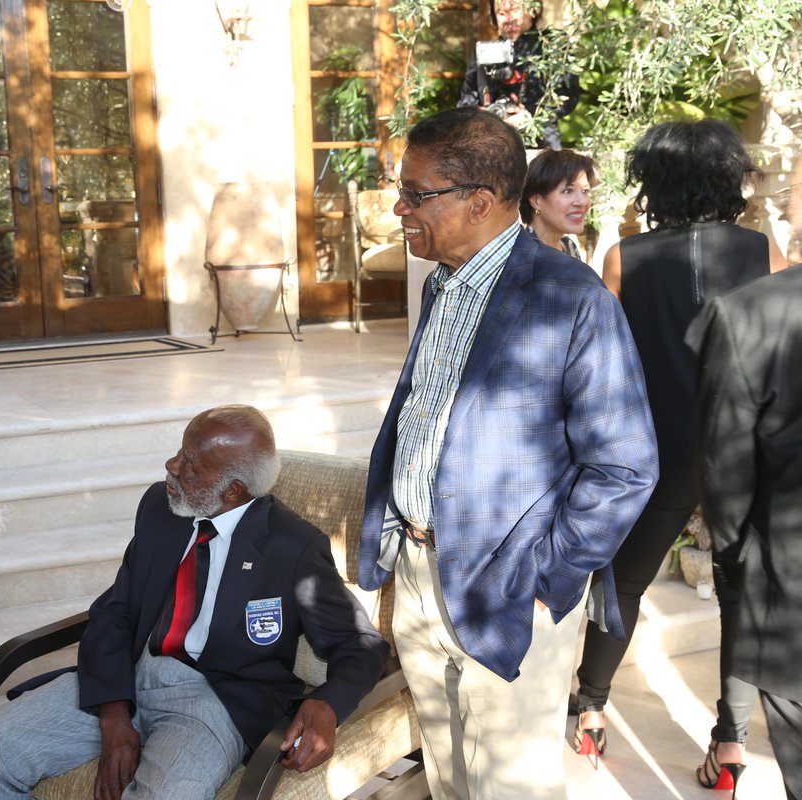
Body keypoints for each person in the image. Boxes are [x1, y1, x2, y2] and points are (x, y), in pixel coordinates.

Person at [357, 107, 657, 800]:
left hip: (512, 588)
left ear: (480, 202)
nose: (399, 207)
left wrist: (552, 578)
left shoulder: (570, 299)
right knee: (449, 779)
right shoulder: (443, 284)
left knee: (508, 789)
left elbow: (625, 465)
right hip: (421, 573)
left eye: (416, 192)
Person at [0, 405, 389, 800]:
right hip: (130, 673)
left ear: (233, 490)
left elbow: (360, 644)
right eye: (180, 452)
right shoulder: (161, 508)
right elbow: (116, 609)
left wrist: (328, 702)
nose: (171, 466)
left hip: (213, 701)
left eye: (190, 464)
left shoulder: (291, 547)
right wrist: (113, 714)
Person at [574, 119, 789, 775]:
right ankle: (730, 742)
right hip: (748, 455)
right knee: (740, 594)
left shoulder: (623, 258)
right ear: (730, 178)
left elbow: (601, 366)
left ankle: (590, 711)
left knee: (625, 580)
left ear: (654, 182)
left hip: (657, 452)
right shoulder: (765, 252)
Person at [684, 154, 802, 800]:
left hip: (788, 581)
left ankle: (730, 743)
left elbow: (724, 461)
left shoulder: (749, 314)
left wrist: (735, 554)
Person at [457, 0, 580, 148]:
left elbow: (568, 95)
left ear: (533, 10)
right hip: (494, 144)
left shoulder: (553, 45)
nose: (509, 19)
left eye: (515, 9)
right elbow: (466, 101)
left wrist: (530, 114)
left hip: (541, 141)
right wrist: (482, 115)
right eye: (501, 13)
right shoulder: (485, 52)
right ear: (493, 17)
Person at [519, 148, 596, 261]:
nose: (582, 202)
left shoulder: (569, 247)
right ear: (536, 201)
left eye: (585, 191)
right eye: (568, 191)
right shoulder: (519, 255)